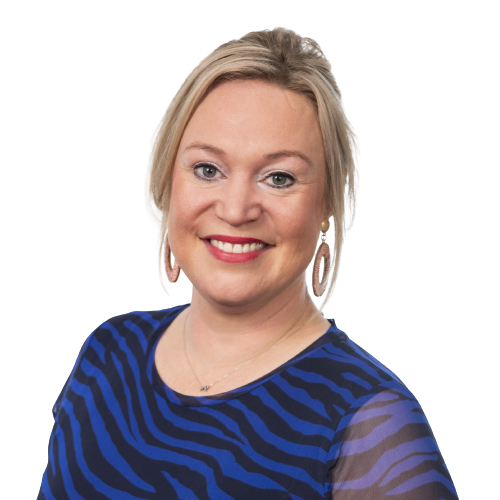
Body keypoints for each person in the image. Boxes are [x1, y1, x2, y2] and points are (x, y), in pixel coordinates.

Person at [38, 27, 458, 499]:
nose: (236, 210)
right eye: (207, 169)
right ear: (168, 178)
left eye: (279, 178)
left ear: (327, 202)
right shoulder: (108, 351)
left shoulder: (372, 421)